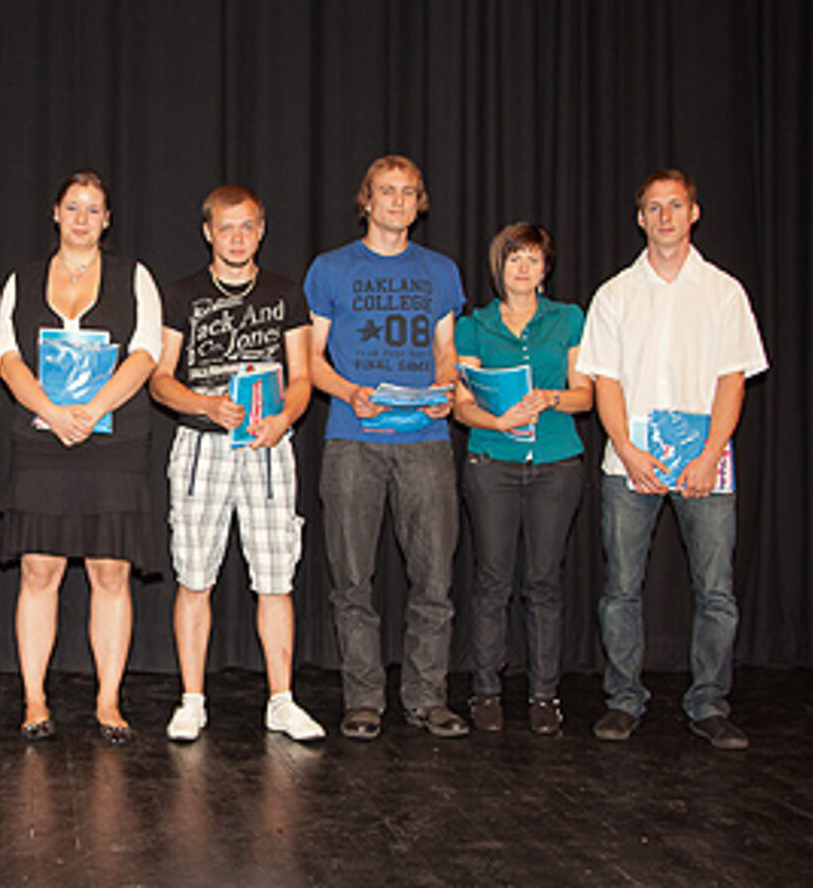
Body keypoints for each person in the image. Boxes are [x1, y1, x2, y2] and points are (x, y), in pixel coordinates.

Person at [576, 169, 768, 750]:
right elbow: (603, 382)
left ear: (694, 213)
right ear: (640, 219)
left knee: (715, 591)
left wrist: (710, 456)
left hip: (706, 465)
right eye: (654, 208)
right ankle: (623, 699)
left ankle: (709, 702)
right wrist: (629, 452)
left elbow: (731, 382)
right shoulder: (614, 294)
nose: (664, 217)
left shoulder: (724, 292)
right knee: (621, 589)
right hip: (629, 464)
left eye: (675, 206)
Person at [151, 184, 325, 743]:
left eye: (247, 226)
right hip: (201, 444)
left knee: (276, 579)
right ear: (208, 232)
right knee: (194, 575)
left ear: (262, 229)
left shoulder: (285, 293)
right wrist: (205, 404)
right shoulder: (180, 295)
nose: (237, 237)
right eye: (226, 227)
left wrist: (286, 419)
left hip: (268, 447)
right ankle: (192, 699)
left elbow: (302, 378)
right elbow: (159, 380)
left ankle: (281, 699)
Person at [304, 154, 468, 740]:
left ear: (419, 203)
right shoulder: (329, 269)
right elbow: (309, 362)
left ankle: (427, 698)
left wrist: (445, 389)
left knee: (434, 581)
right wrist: (350, 392)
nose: (397, 201)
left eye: (408, 192)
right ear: (366, 201)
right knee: (352, 580)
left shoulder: (442, 271)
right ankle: (363, 699)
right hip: (354, 441)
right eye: (386, 192)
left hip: (425, 441)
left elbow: (445, 347)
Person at [0, 170, 162, 744]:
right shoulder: (20, 279)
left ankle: (109, 701)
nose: (83, 218)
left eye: (94, 209)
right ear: (56, 213)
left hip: (113, 440)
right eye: (74, 207)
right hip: (41, 440)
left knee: (110, 571)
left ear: (108, 219)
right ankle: (35, 700)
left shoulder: (134, 277)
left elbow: (146, 354)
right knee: (38, 570)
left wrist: (90, 410)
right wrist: (52, 409)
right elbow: (7, 356)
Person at [453, 222, 592, 735]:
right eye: (515, 259)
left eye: (533, 259)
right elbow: (462, 405)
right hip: (492, 461)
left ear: (545, 268)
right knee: (492, 581)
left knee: (544, 582)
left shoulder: (569, 318)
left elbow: (587, 395)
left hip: (556, 463)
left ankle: (544, 695)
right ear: (500, 267)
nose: (523, 268)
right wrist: (499, 420)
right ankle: (486, 691)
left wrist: (551, 397)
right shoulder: (474, 324)